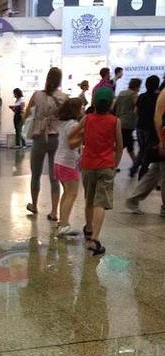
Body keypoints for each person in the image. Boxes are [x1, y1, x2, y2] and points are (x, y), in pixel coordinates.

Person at [74, 87, 123, 256]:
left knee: (89, 198)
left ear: (94, 102)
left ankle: (88, 229)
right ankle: (94, 240)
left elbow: (74, 134)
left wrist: (80, 142)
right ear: (110, 103)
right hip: (106, 165)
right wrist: (114, 164)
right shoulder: (115, 121)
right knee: (100, 202)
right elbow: (120, 146)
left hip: (88, 165)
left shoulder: (87, 118)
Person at [24, 67, 67, 220]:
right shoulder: (63, 97)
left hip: (39, 137)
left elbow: (26, 113)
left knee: (35, 174)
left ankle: (34, 205)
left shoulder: (37, 95)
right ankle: (54, 211)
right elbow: (67, 117)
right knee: (54, 176)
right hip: (56, 138)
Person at [126, 87, 165, 217]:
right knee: (160, 171)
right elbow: (158, 118)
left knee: (154, 172)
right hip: (161, 138)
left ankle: (133, 199)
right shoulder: (163, 94)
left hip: (155, 136)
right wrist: (161, 140)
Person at [54, 97, 84, 236]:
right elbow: (71, 144)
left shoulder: (63, 123)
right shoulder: (73, 125)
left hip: (59, 161)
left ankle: (62, 222)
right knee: (72, 193)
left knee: (66, 193)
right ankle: (64, 224)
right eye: (81, 107)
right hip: (68, 163)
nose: (83, 109)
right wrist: (84, 136)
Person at [133, 75, 160, 180]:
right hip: (150, 128)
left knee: (142, 150)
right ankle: (142, 172)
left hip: (139, 126)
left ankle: (134, 169)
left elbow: (136, 111)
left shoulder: (141, 96)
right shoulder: (158, 97)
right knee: (147, 152)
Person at [114, 78, 141, 176]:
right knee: (123, 144)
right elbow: (137, 107)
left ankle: (135, 164)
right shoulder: (134, 95)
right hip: (129, 123)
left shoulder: (121, 93)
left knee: (128, 143)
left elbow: (114, 106)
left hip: (119, 120)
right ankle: (113, 164)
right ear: (137, 86)